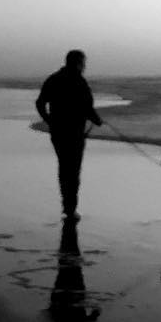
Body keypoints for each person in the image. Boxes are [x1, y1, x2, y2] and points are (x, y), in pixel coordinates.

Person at [35, 49, 102, 221]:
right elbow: (87, 107)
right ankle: (70, 209)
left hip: (58, 131)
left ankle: (68, 207)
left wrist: (49, 121)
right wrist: (97, 120)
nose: (84, 66)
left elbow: (40, 103)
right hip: (74, 132)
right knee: (73, 171)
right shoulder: (79, 81)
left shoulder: (54, 79)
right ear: (78, 63)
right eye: (83, 63)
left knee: (64, 167)